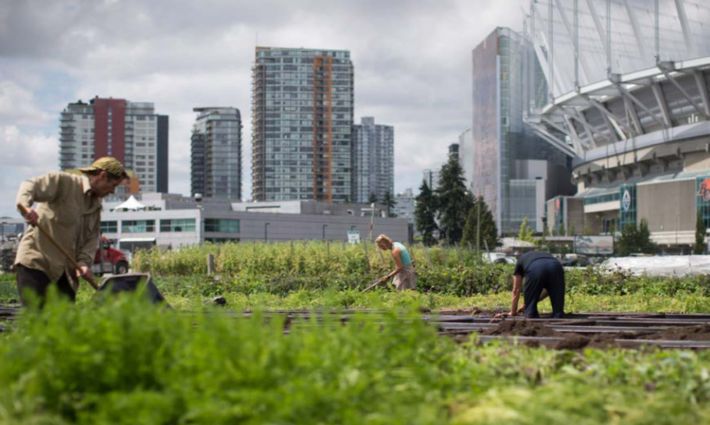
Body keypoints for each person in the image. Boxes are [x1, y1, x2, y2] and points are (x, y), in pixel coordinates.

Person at [14, 157, 128, 305]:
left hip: (65, 272)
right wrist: (26, 207)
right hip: (37, 263)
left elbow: (91, 240)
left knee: (65, 321)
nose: (112, 191)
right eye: (113, 185)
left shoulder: (96, 207)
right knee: (38, 319)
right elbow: (30, 185)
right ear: (102, 176)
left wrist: (83, 263)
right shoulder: (65, 182)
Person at [497, 251, 565, 318]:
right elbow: (550, 290)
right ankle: (558, 315)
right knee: (558, 313)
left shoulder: (520, 261)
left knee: (530, 314)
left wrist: (513, 311)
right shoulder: (544, 256)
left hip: (535, 268)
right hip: (557, 267)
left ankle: (531, 314)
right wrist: (528, 303)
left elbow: (516, 289)